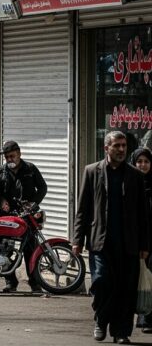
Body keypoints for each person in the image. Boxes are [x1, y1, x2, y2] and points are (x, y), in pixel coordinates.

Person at [74, 131, 149, 344]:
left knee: (126, 290)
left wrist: (145, 244)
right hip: (101, 242)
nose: (121, 150)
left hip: (129, 244)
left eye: (124, 146)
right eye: (117, 145)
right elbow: (83, 209)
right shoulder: (92, 171)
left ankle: (121, 332)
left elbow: (142, 214)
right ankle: (101, 320)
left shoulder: (135, 175)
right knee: (102, 283)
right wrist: (77, 239)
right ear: (106, 148)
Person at [0, 140, 48, 293]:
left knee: (30, 248)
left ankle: (34, 282)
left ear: (19, 154)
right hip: (8, 216)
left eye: (12, 156)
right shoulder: (0, 172)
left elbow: (43, 188)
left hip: (27, 216)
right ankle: (11, 282)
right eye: (7, 157)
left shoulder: (30, 169)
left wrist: (33, 204)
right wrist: (1, 201)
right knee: (5, 248)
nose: (10, 160)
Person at [132, 148, 152, 334]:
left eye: (146, 161)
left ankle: (147, 318)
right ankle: (142, 316)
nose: (142, 165)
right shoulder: (129, 184)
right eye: (139, 162)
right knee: (139, 279)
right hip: (136, 240)